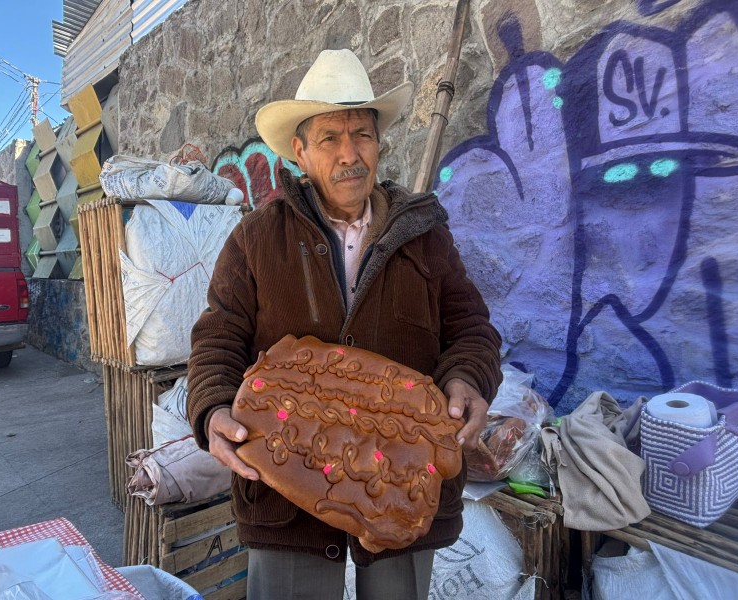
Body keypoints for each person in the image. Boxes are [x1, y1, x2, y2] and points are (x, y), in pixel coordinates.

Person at [188, 48, 503, 600]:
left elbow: (471, 326)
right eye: (329, 138)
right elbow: (218, 336)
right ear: (300, 152)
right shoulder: (257, 238)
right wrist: (213, 409)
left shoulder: (424, 236)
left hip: (402, 482)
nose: (349, 154)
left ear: (379, 144)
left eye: (362, 134)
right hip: (286, 490)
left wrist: (467, 378)